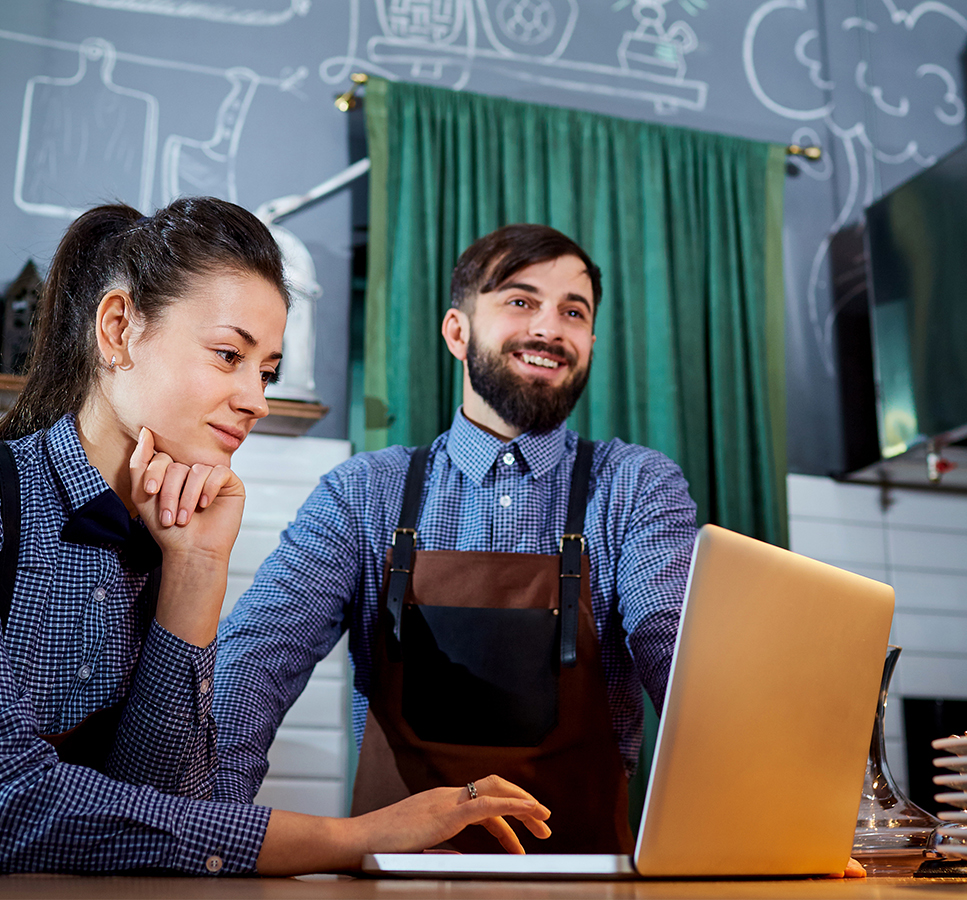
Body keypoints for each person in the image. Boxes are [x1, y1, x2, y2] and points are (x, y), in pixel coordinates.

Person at [0, 199, 549, 876]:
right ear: (119, 328)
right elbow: (0, 803)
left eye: (267, 371)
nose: (256, 399)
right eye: (229, 356)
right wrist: (350, 839)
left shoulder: (166, 540)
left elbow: (167, 815)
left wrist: (195, 573)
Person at [214, 223, 699, 854]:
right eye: (520, 301)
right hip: (398, 881)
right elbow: (254, 664)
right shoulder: (361, 492)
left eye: (573, 312)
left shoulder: (636, 486)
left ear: (590, 341)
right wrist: (199, 833)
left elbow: (678, 648)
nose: (550, 328)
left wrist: (772, 820)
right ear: (457, 331)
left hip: (587, 882)